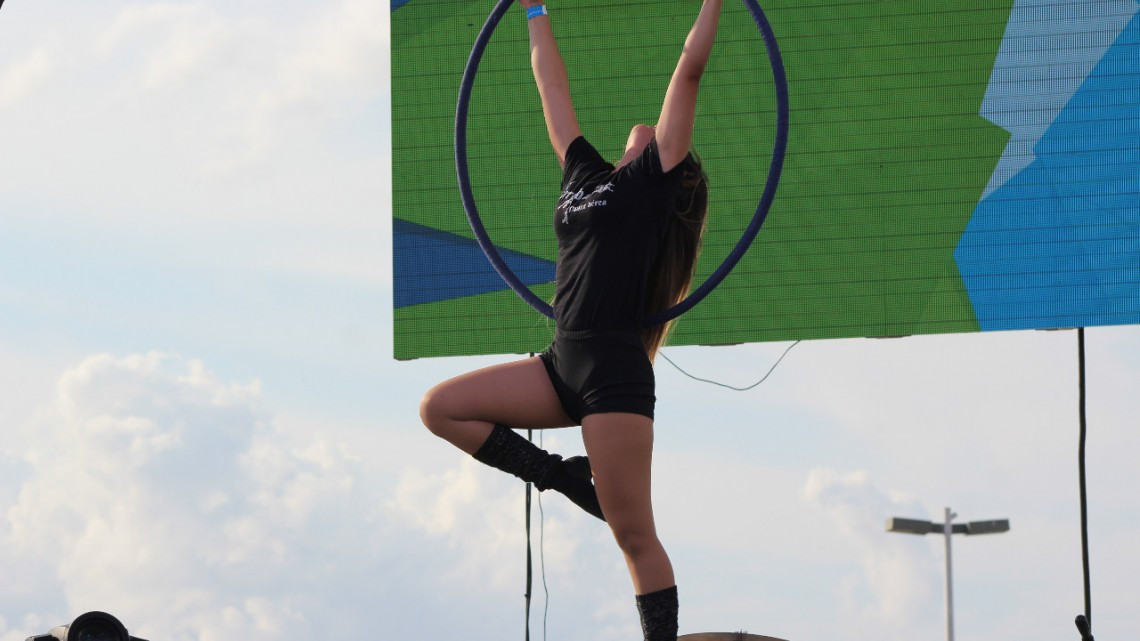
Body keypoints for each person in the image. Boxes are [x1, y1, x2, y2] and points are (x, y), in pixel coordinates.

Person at [420, 1, 720, 639]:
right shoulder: (584, 171)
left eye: (655, 133)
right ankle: (562, 477)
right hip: (560, 363)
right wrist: (534, 8)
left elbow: (689, 70)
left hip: (612, 375)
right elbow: (548, 82)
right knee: (440, 408)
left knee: (634, 535)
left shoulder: (654, 179)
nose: (640, 128)